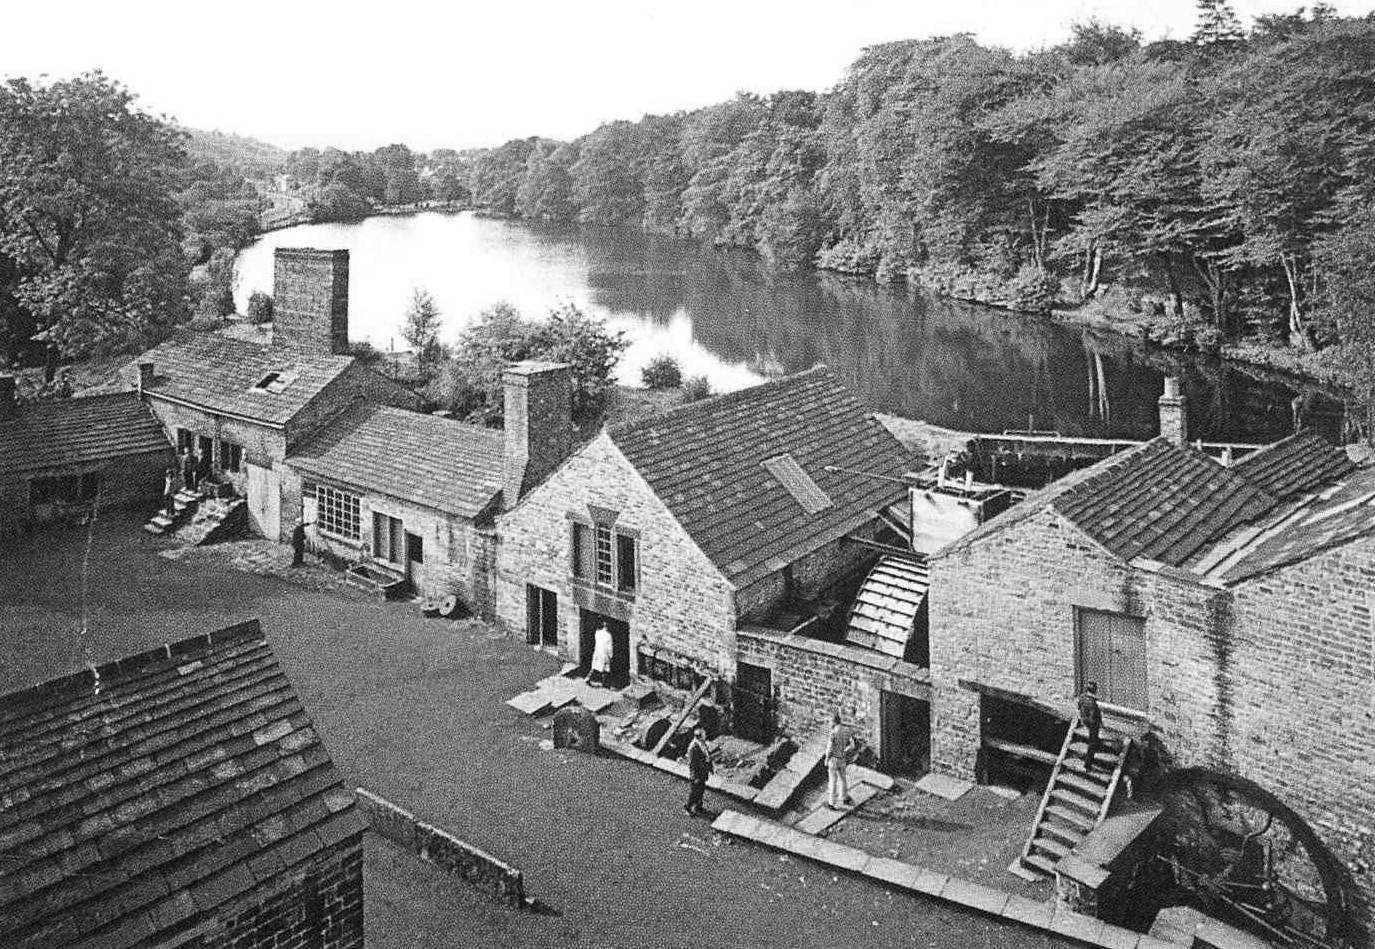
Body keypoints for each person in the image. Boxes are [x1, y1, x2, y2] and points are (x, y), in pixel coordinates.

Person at [826, 712, 856, 808]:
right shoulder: (847, 730)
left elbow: (829, 749)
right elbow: (852, 745)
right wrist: (845, 750)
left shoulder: (833, 733)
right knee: (843, 779)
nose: (829, 724)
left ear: (833, 721)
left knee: (832, 781)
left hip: (833, 759)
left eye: (830, 721)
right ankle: (844, 797)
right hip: (842, 758)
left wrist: (826, 759)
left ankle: (831, 802)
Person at [685, 725, 712, 816]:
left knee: (701, 790)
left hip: (703, 772)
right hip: (697, 774)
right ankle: (688, 807)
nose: (706, 735)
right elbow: (692, 764)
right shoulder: (693, 748)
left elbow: (706, 755)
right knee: (695, 792)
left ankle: (698, 807)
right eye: (704, 734)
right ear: (700, 736)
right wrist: (695, 777)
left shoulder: (702, 743)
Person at [1078, 682, 1103, 772]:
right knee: (1093, 743)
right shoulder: (1093, 704)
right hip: (1092, 725)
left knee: (1094, 742)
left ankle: (1097, 746)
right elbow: (1093, 718)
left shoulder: (1082, 697)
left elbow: (1079, 707)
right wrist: (1097, 724)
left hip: (1085, 720)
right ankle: (1087, 764)